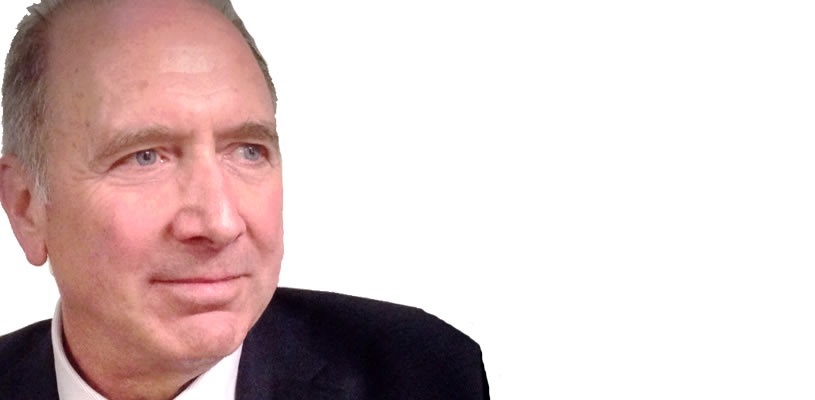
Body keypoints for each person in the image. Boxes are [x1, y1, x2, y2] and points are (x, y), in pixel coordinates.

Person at [0, 0, 489, 398]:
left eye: (248, 151)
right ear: (25, 207)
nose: (220, 221)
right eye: (145, 157)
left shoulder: (419, 375)